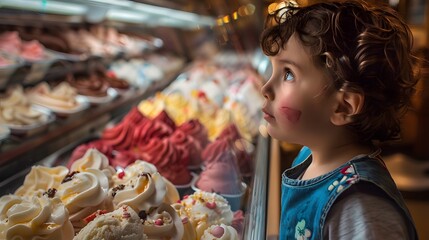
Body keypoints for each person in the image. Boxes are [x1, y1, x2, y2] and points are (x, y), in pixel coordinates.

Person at [260, 0, 419, 239]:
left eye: (289, 73)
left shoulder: (360, 207)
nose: (265, 87)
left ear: (343, 106)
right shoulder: (308, 155)